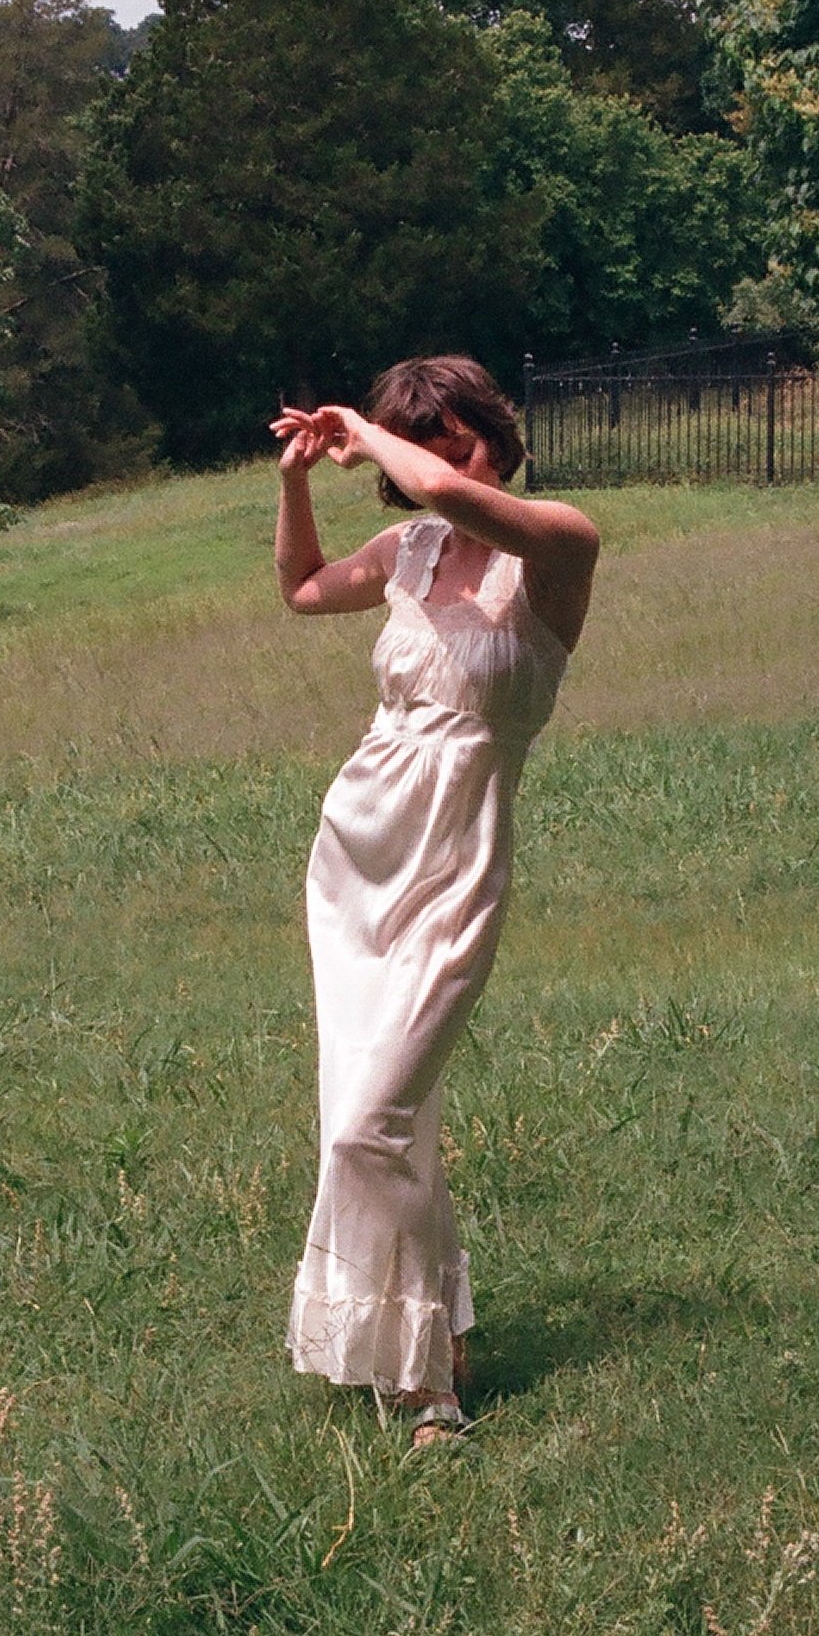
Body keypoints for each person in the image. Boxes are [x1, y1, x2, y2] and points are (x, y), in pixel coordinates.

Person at [272, 356, 599, 1445]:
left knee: (374, 1122)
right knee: (370, 1125)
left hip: (455, 864)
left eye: (461, 438)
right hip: (356, 852)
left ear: (496, 435)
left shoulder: (555, 541)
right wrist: (298, 481)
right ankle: (434, 1369)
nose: (449, 462)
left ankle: (422, 1372)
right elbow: (302, 588)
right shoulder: (408, 551)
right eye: (433, 442)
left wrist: (370, 433)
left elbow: (458, 498)